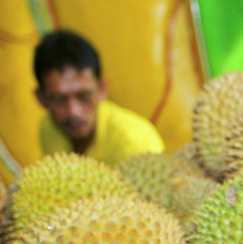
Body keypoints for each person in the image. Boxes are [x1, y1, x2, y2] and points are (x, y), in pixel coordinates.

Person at [33, 29, 164, 164]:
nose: (73, 111)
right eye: (59, 100)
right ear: (40, 98)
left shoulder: (135, 143)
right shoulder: (47, 129)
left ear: (102, 90)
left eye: (84, 96)